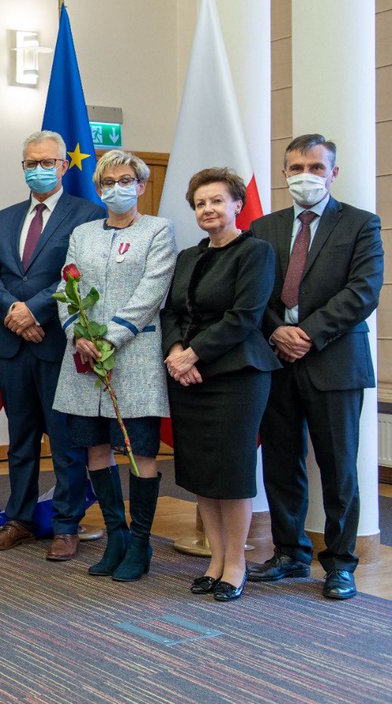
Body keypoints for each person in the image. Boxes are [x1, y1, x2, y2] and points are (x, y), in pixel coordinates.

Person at [248, 134, 383, 601]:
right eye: (295, 168)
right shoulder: (263, 227)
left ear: (333, 172)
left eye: (315, 167)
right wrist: (275, 331)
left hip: (335, 361)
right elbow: (253, 293)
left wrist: (307, 333)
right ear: (284, 174)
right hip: (275, 360)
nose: (305, 175)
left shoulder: (361, 224)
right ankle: (289, 552)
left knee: (339, 466)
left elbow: (363, 291)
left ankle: (341, 563)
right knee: (282, 462)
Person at [0, 131, 104, 561]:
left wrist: (34, 311)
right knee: (21, 437)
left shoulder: (87, 213)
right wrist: (15, 312)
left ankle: (67, 524)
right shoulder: (6, 216)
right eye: (31, 162)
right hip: (11, 345)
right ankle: (20, 519)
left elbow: (80, 272)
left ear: (64, 165)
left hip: (58, 342)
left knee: (65, 440)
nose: (39, 169)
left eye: (47, 162)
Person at [52, 149, 176, 582]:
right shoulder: (83, 233)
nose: (116, 189)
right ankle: (115, 537)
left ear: (141, 186)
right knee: (94, 448)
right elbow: (66, 287)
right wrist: (77, 333)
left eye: (126, 181)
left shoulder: (158, 230)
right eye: (107, 183)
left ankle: (140, 544)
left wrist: (111, 336)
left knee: (141, 450)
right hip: (84, 359)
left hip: (134, 357)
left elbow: (152, 290)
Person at [160, 168, 280, 601]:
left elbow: (245, 316)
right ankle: (215, 559)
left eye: (216, 201)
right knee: (200, 474)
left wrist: (195, 353)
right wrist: (176, 352)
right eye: (200, 203)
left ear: (236, 205)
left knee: (230, 473)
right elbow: (170, 313)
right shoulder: (188, 257)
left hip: (237, 376)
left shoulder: (256, 252)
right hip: (188, 376)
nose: (208, 209)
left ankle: (236, 563)